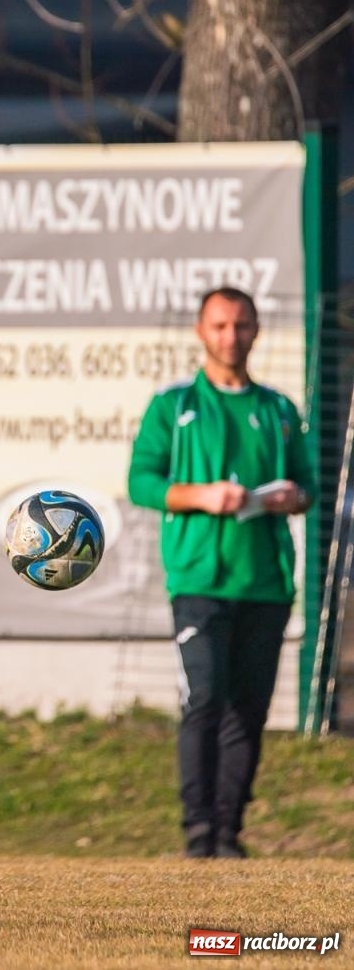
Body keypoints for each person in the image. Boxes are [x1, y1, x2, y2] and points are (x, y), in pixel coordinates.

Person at [127, 286, 313, 859]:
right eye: (220, 326)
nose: (231, 337)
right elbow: (142, 482)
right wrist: (202, 495)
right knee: (205, 699)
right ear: (200, 332)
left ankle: (229, 835)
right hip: (199, 580)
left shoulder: (279, 409)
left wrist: (289, 498)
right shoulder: (173, 405)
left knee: (248, 708)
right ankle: (198, 832)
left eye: (242, 325)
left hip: (264, 582)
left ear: (256, 331)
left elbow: (307, 488)